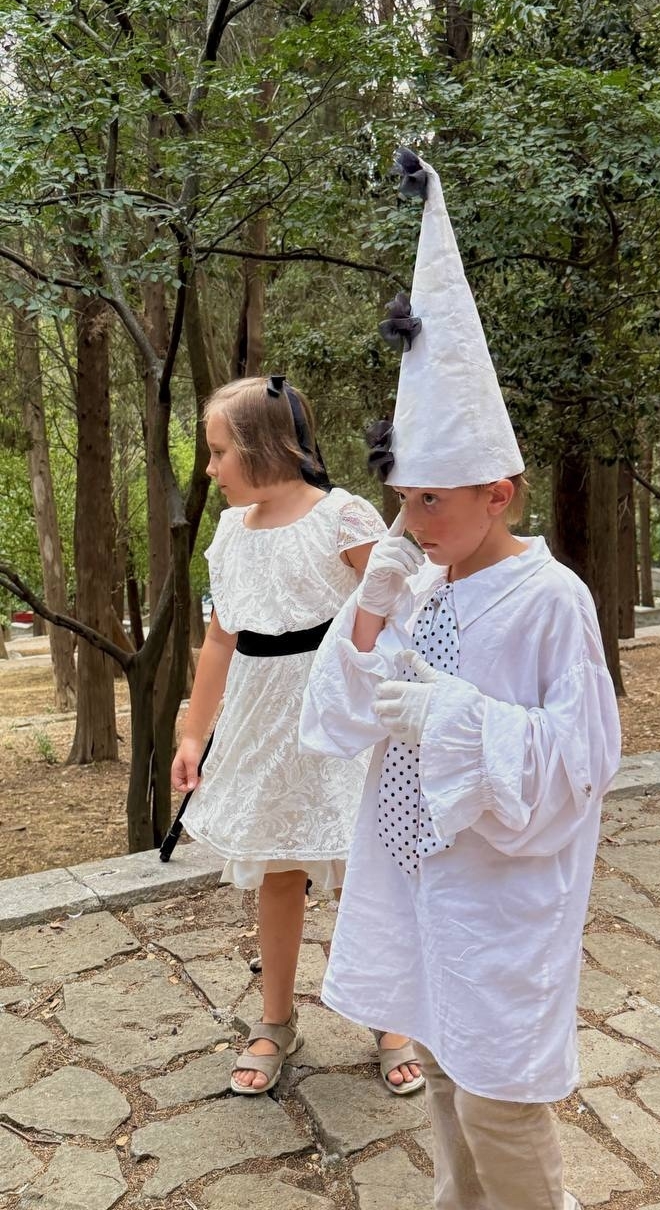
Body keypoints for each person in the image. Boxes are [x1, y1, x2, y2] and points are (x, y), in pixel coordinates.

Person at [300, 149, 622, 1209]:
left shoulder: (550, 600)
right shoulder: (420, 583)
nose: (414, 520)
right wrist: (374, 601)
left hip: (497, 891)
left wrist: (452, 714)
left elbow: (583, 760)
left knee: (499, 1094)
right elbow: (341, 718)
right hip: (417, 882)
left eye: (434, 500)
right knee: (441, 1061)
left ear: (499, 492)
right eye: (406, 499)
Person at [171, 374, 424, 1097]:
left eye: (219, 452)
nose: (210, 469)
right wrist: (193, 734)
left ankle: (389, 1016)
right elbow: (220, 640)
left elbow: (397, 610)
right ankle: (276, 1020)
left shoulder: (342, 517)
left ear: (264, 447)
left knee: (364, 868)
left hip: (341, 721)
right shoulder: (230, 532)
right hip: (262, 726)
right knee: (278, 871)